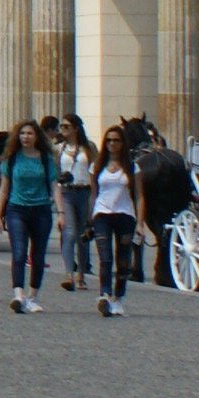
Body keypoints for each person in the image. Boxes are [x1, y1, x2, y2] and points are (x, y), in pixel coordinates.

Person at [0, 120, 58, 313]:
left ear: (37, 136)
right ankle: (18, 295)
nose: (26, 137)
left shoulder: (45, 158)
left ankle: (33, 296)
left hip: (41, 208)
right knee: (19, 252)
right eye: (23, 133)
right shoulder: (12, 158)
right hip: (17, 208)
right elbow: (4, 189)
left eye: (30, 133)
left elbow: (55, 185)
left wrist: (62, 213)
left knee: (38, 256)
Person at [87, 126, 142, 314]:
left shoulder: (133, 167)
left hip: (125, 215)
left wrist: (140, 223)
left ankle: (118, 297)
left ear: (122, 143)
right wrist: (89, 219)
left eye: (116, 140)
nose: (112, 144)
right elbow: (93, 193)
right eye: (109, 140)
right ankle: (105, 294)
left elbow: (139, 196)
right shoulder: (97, 166)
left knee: (123, 259)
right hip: (102, 214)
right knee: (105, 257)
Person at [55, 116, 98, 292]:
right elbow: (55, 174)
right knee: (70, 232)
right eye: (61, 126)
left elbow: (96, 170)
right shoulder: (58, 149)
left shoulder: (90, 147)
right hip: (67, 192)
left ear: (76, 129)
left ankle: (81, 274)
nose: (62, 129)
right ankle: (69, 274)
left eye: (66, 126)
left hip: (85, 191)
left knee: (83, 235)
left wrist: (95, 197)